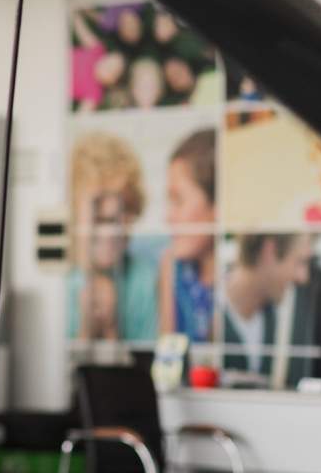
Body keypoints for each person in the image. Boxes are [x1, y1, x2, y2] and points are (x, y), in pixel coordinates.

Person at [65, 131, 158, 342]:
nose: (110, 231)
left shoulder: (144, 279)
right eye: (98, 216)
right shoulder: (58, 281)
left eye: (122, 211)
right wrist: (86, 331)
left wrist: (110, 328)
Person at [222, 233, 315, 386]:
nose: (303, 277)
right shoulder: (208, 312)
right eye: (299, 262)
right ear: (269, 251)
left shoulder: (278, 317)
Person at [158, 128, 216, 342]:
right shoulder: (172, 265)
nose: (168, 217)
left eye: (178, 200)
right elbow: (167, 360)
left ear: (218, 205)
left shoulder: (236, 275)